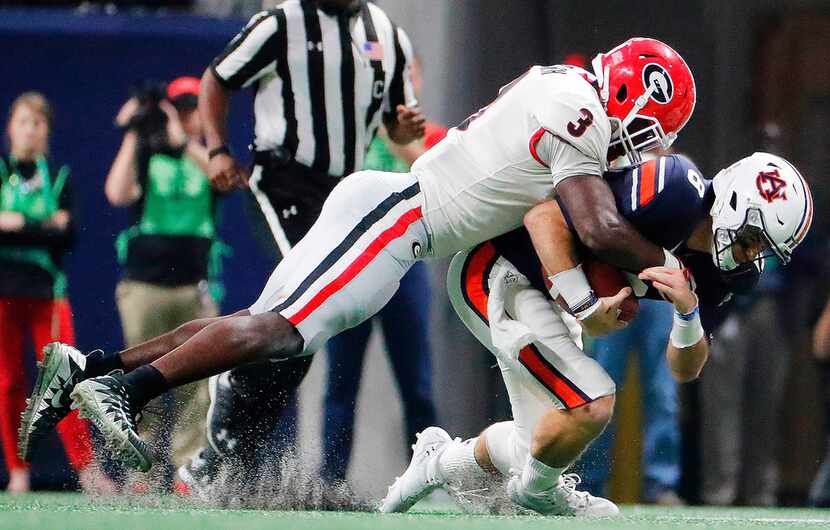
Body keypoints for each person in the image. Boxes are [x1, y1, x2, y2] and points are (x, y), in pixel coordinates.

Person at [21, 38, 696, 511]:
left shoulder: (558, 84)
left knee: (259, 327)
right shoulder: (575, 109)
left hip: (393, 212)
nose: (649, 145)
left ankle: (92, 369)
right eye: (654, 127)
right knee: (277, 333)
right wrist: (670, 267)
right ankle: (128, 391)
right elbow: (602, 225)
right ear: (637, 92)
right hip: (398, 221)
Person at [382, 152, 812, 516]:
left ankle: (435, 462)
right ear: (736, 206)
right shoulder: (674, 190)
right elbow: (544, 215)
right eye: (754, 242)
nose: (752, 258)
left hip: (549, 297)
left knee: (539, 442)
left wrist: (687, 309)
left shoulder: (727, 274)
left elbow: (685, 370)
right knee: (591, 403)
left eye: (764, 251)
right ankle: (535, 494)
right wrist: (587, 305)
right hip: (502, 271)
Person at [175, 0, 425, 490]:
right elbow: (216, 79)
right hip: (282, 184)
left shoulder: (386, 34)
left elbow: (395, 123)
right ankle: (226, 424)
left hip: (344, 197)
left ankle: (227, 457)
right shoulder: (280, 23)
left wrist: (405, 127)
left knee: (301, 338)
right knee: (298, 318)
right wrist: (218, 148)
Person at [103, 76, 221, 492]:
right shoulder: (145, 154)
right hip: (144, 288)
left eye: (194, 112)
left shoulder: (207, 155)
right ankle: (142, 470)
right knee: (142, 379)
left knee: (196, 386)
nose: (188, 119)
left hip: (192, 287)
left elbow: (221, 178)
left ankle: (187, 470)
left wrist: (181, 142)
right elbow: (117, 193)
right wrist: (136, 131)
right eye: (180, 111)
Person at [321, 104, 445, 483]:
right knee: (341, 382)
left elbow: (441, 180)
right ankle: (330, 481)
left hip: (406, 266)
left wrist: (396, 137)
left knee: (417, 385)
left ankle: (433, 476)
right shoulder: (339, 132)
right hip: (349, 269)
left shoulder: (430, 134)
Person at [2, 93, 113, 493]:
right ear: (10, 128)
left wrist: (17, 224)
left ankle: (87, 471)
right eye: (22, 122)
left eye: (37, 123)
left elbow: (66, 236)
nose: (29, 130)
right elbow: (50, 229)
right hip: (4, 292)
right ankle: (18, 472)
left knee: (63, 381)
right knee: (8, 382)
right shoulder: (1, 172)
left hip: (48, 290)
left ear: (46, 130)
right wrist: (43, 225)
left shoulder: (61, 177)